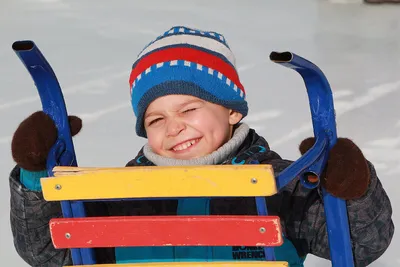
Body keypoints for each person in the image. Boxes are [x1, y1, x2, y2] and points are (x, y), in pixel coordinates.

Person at [9, 26, 394, 267]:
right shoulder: (122, 193)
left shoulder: (283, 184)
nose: (174, 127)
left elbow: (360, 248)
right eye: (155, 119)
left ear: (231, 112)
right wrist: (35, 173)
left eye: (189, 108)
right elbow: (50, 253)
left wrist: (352, 190)